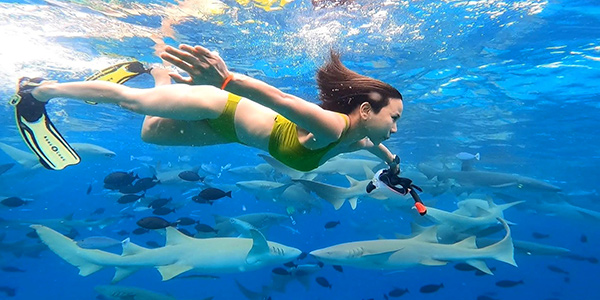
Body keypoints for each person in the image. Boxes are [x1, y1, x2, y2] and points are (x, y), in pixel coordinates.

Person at [13, 44, 404, 173]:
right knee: (130, 102)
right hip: (222, 104)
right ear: (367, 111)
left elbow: (372, 148)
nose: (396, 128)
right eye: (394, 118)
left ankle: (158, 74)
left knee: (150, 132)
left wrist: (391, 162)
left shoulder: (357, 138)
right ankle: (41, 90)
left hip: (227, 133)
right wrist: (225, 80)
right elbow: (282, 100)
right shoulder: (332, 127)